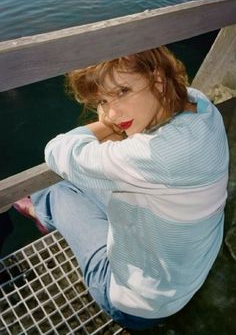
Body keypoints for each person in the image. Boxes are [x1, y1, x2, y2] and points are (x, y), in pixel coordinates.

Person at [14, 46, 229, 330]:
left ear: (159, 80)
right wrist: (119, 123)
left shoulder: (153, 155)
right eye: (102, 100)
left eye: (123, 91)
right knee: (85, 175)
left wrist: (105, 127)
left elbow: (56, 151)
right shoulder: (200, 106)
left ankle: (42, 211)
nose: (113, 112)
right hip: (188, 270)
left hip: (139, 304)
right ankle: (46, 207)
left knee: (59, 189)